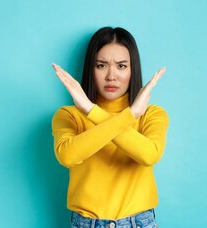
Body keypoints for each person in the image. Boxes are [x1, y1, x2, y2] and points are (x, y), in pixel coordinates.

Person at [51, 27, 169, 228]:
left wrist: (93, 111)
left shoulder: (151, 114)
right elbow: (67, 156)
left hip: (138, 223)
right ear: (91, 68)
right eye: (101, 65)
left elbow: (149, 155)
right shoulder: (69, 115)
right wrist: (125, 115)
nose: (111, 76)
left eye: (121, 66)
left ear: (133, 69)